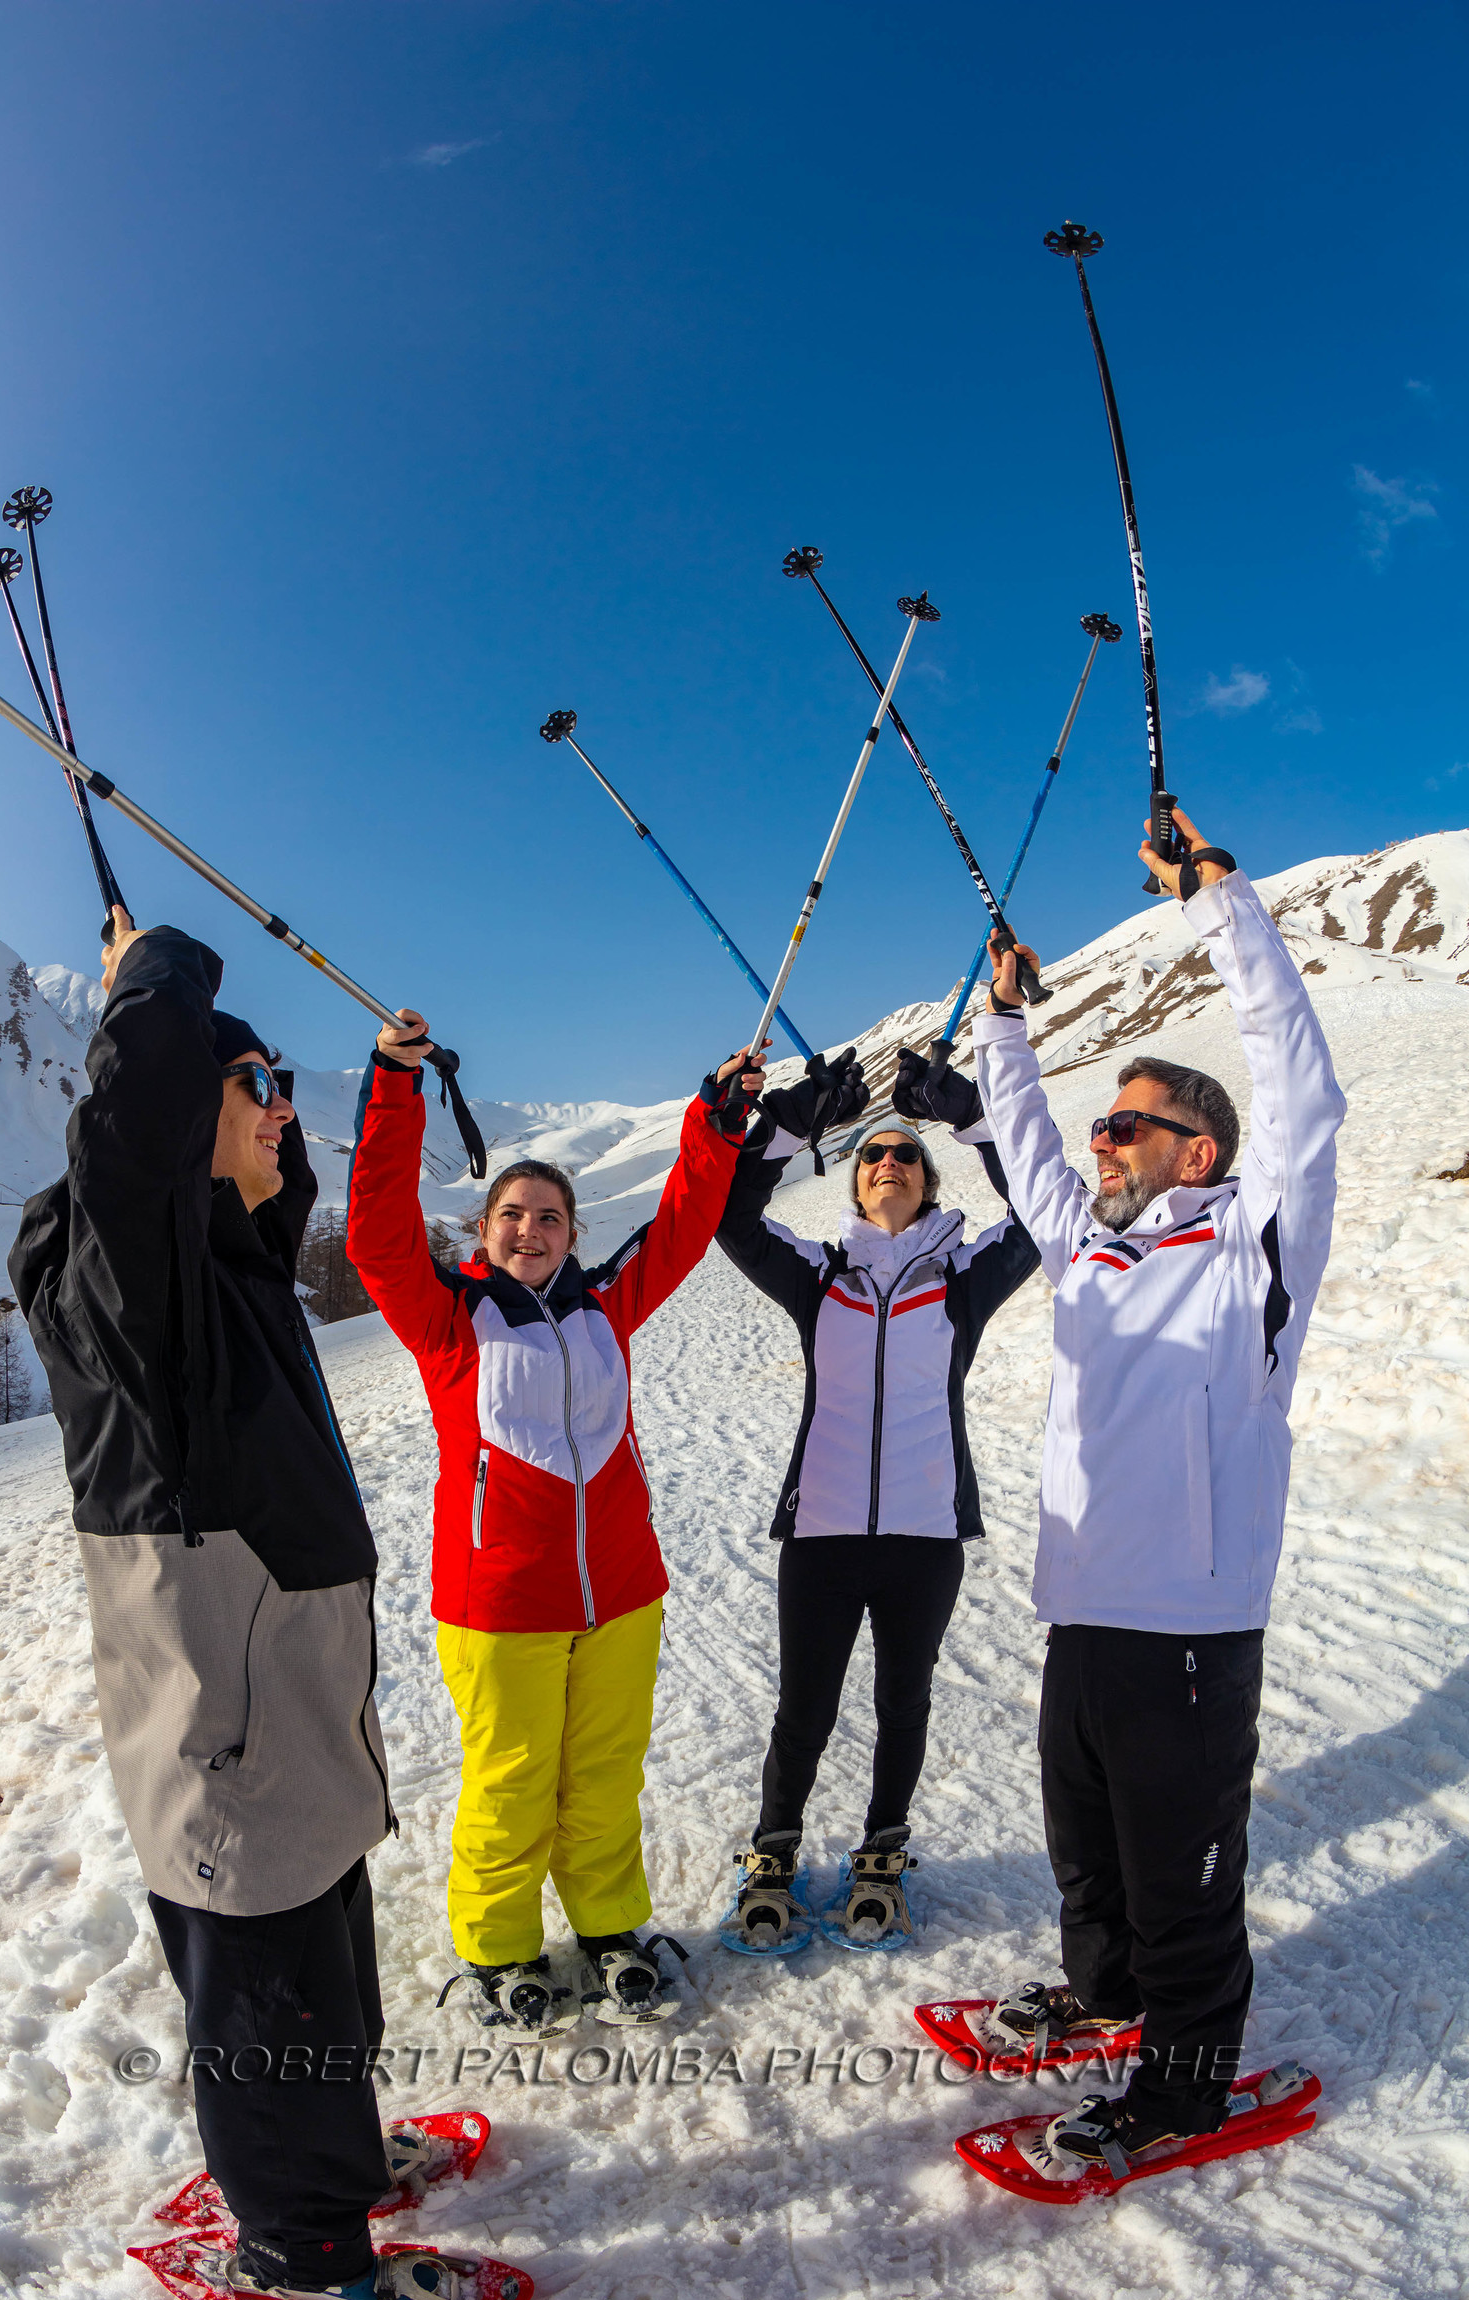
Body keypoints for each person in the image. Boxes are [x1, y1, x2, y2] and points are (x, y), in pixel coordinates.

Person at [9, 908, 426, 2300]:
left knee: (329, 1966)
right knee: (268, 1989)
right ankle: (301, 2239)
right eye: (258, 1085)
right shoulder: (139, 1284)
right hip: (229, 1721)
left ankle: (336, 2160)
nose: (281, 1111)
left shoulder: (226, 1265)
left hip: (292, 1707)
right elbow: (131, 1133)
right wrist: (161, 974)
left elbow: (281, 1187)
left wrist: (376, 1077)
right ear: (191, 1104)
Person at [970, 804, 1345, 2176]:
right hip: (1083, 1608)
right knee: (1091, 1852)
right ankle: (1107, 1990)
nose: (1103, 1140)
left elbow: (1305, 1099)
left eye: (1130, 1122)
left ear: (1199, 1148)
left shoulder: (1258, 1240)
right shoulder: (1090, 1247)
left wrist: (1219, 904)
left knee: (1183, 1869)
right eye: (1104, 1121)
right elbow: (1018, 1136)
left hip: (1190, 1622)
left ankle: (1187, 2078)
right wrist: (1004, 1024)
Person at [345, 1010, 765, 2036]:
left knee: (606, 1772)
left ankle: (611, 1927)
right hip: (501, 1601)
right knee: (513, 1775)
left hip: (622, 1591)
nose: (529, 1230)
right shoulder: (449, 1317)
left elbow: (680, 1225)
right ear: (482, 1232)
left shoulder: (607, 1306)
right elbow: (375, 1235)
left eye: (547, 1217)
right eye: (511, 1216)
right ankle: (499, 1944)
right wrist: (395, 1087)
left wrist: (714, 1124)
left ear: (572, 1233)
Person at [712, 1051, 1039, 1952]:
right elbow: (733, 1223)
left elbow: (1041, 1215)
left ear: (930, 1180)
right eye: (869, 1156)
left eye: (903, 1152)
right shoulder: (822, 1275)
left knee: (906, 1699)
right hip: (820, 1533)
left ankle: (882, 1851)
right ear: (854, 1186)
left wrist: (974, 1119)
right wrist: (789, 1124)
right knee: (804, 1707)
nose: (886, 1160)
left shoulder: (962, 1279)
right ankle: (773, 1853)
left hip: (925, 1536)